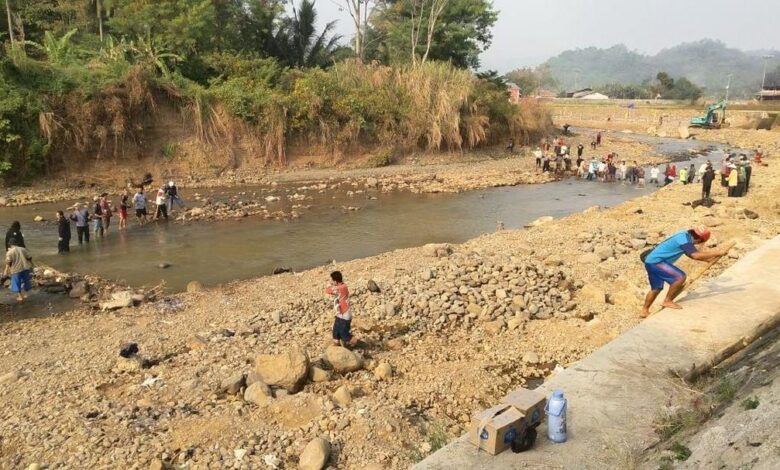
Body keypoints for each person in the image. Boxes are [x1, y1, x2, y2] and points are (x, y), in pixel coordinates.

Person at [639, 226, 729, 318]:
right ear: (699, 240)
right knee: (680, 277)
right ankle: (667, 301)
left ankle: (644, 311)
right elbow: (695, 255)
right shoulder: (685, 240)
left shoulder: (683, 235)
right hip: (657, 262)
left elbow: (689, 253)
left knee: (656, 288)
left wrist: (707, 260)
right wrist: (718, 253)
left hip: (650, 261)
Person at [325, 271, 358, 347]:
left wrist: (329, 284)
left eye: (332, 280)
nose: (331, 281)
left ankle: (361, 345)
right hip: (339, 314)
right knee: (335, 334)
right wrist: (331, 284)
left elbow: (328, 290)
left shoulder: (341, 288)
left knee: (345, 335)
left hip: (345, 314)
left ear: (335, 281)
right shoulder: (341, 286)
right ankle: (337, 349)